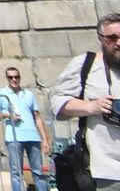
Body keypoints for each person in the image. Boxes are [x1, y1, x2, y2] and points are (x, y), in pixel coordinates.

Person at [50, 14, 120, 191]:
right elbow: (58, 104)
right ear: (101, 38)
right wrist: (91, 107)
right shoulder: (85, 65)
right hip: (106, 172)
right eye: (112, 38)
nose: (118, 43)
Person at [0, 67, 52, 191]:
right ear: (7, 78)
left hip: (32, 136)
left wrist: (45, 139)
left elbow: (37, 117)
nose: (14, 79)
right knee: (16, 173)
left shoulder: (29, 94)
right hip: (14, 137)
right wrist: (8, 115)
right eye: (11, 77)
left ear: (20, 78)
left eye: (16, 77)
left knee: (38, 171)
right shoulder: (1, 94)